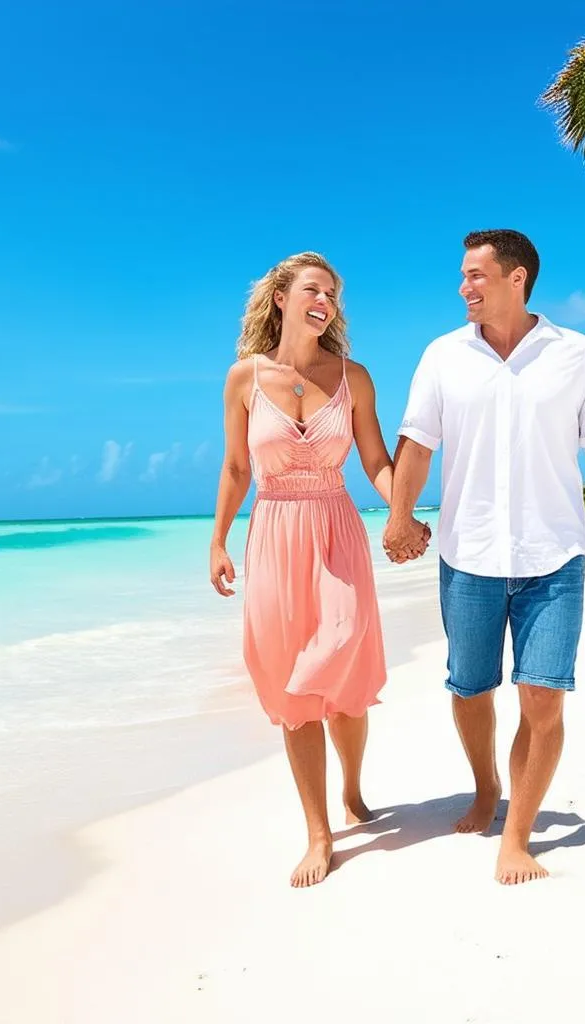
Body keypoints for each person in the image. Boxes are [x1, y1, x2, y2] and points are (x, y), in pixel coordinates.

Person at [383, 229, 585, 885]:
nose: (464, 287)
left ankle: (516, 836)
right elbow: (417, 444)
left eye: (476, 276)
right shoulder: (442, 356)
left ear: (516, 278)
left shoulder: (575, 354)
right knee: (470, 688)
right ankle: (486, 786)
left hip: (555, 558)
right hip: (467, 556)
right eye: (463, 277)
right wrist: (400, 517)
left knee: (543, 701)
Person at [209, 252, 430, 888]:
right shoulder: (243, 379)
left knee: (340, 663)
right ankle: (319, 830)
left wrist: (403, 515)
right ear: (280, 298)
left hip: (336, 529)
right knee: (295, 686)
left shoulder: (353, 377)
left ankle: (354, 790)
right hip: (274, 533)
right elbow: (235, 469)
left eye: (332, 293)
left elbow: (375, 459)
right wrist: (218, 542)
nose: (325, 301)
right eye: (314, 289)